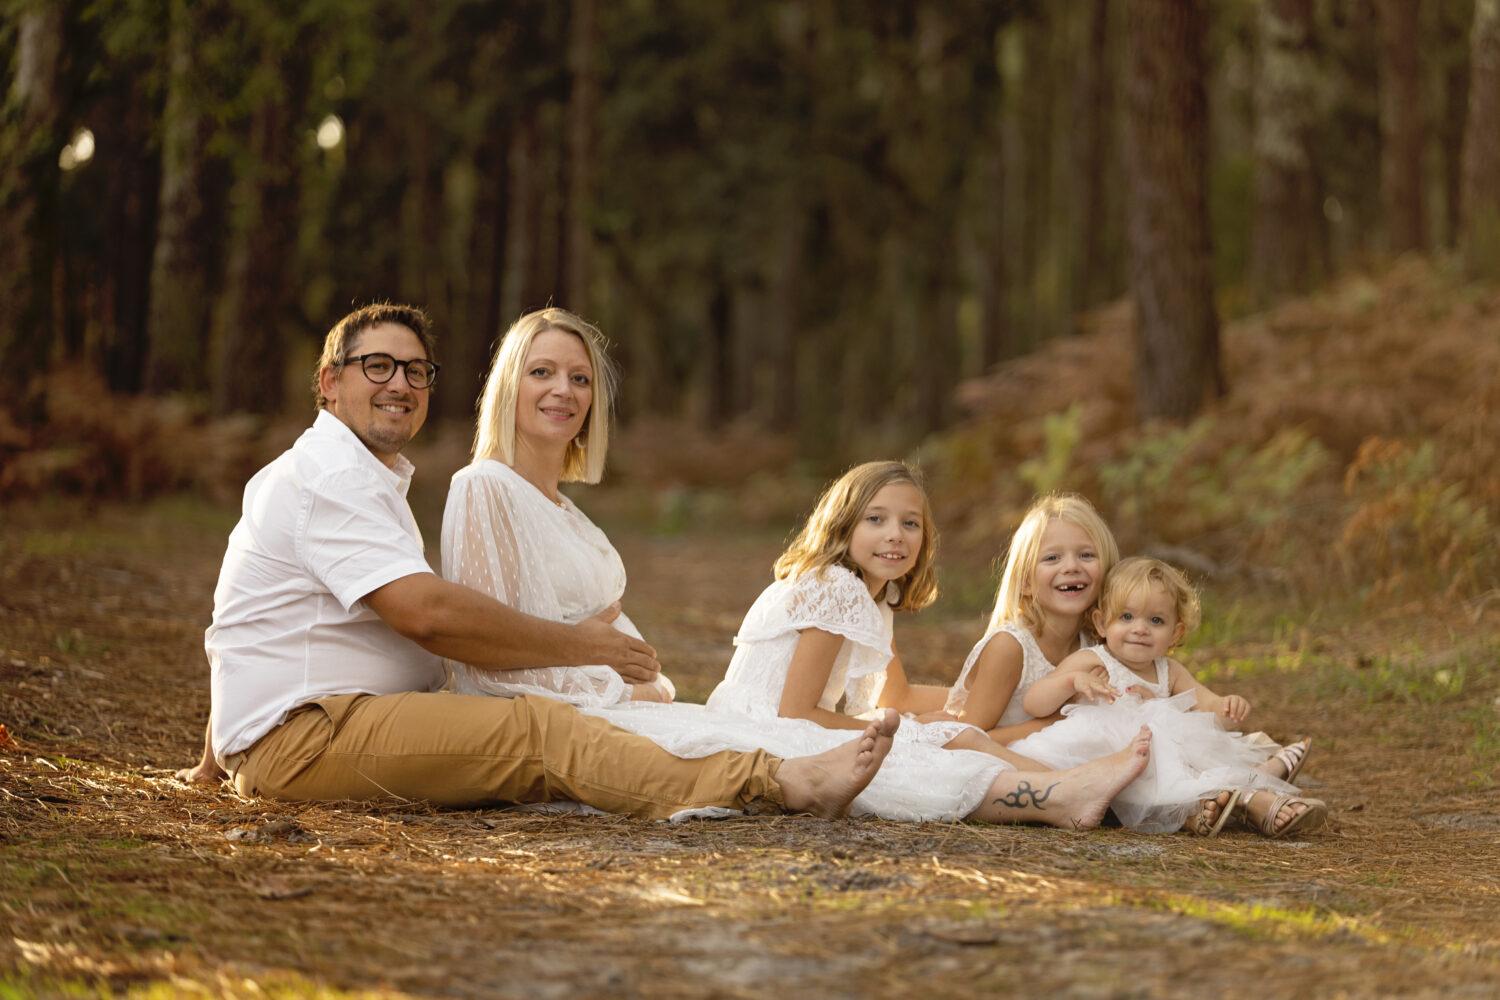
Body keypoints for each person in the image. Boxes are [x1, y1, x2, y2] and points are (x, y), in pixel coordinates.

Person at [175, 301, 901, 820]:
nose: (399, 384)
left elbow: (241, 617)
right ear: (329, 382)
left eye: (417, 371)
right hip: (311, 737)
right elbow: (426, 615)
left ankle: (766, 770)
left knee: (550, 727)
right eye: (377, 366)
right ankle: (780, 784)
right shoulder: (331, 478)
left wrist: (216, 755)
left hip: (330, 723)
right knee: (538, 733)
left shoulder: (352, 478)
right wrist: (587, 647)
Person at [580, 462, 1155, 826]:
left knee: (954, 735)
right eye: (876, 520)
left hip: (789, 718)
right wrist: (910, 730)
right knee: (930, 754)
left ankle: (1066, 786)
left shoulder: (875, 599)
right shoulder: (835, 588)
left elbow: (897, 695)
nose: (894, 535)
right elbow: (796, 710)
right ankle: (1060, 790)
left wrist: (971, 701)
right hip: (766, 725)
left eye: (910, 523)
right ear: (844, 527)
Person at [441, 308, 672, 706]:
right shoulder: (484, 486)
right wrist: (631, 692)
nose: (564, 390)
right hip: (554, 720)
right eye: (542, 372)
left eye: (580, 378)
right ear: (508, 386)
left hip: (613, 709)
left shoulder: (566, 511)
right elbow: (485, 665)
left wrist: (653, 687)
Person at [1009, 557, 1324, 837]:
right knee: (1160, 745)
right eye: (1126, 617)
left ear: (1175, 633)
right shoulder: (1092, 660)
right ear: (1102, 623)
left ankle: (1224, 802)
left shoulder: (1169, 671)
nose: (1140, 629)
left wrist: (1225, 706)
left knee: (1182, 744)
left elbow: (1206, 705)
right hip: (1113, 763)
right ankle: (1255, 792)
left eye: (1156, 621)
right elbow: (1034, 702)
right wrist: (1073, 681)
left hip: (1162, 764)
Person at [941, 493, 1120, 743]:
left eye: (1086, 555)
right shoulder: (1009, 647)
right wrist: (1056, 721)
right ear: (1025, 582)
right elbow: (966, 739)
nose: (1071, 566)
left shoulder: (1098, 641)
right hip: (994, 755)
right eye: (1052, 558)